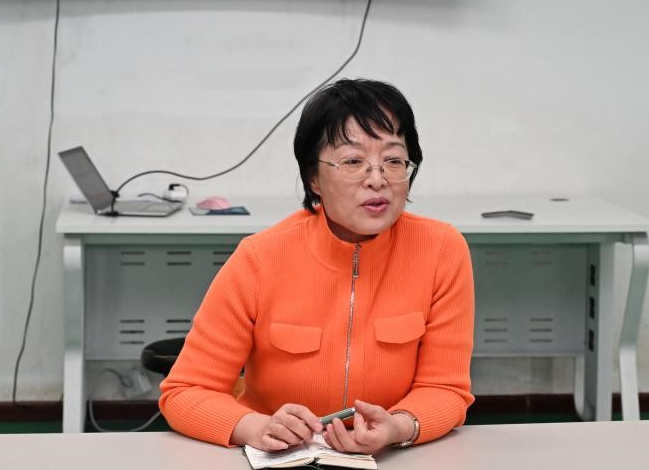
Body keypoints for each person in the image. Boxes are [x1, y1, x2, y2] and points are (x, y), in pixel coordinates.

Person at [159, 79, 475, 454]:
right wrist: (255, 428)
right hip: (280, 458)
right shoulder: (259, 258)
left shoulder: (441, 249)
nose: (377, 180)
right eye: (353, 162)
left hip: (391, 457)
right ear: (314, 178)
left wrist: (398, 427)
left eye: (393, 161)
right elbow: (185, 391)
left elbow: (445, 389)